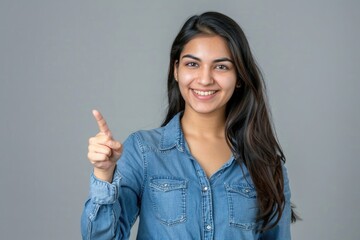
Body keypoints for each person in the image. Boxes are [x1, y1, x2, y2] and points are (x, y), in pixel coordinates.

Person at [81, 11, 298, 239]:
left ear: (240, 77)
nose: (205, 79)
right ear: (176, 70)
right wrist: (104, 173)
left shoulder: (266, 164)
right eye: (192, 64)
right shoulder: (144, 151)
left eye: (221, 67)